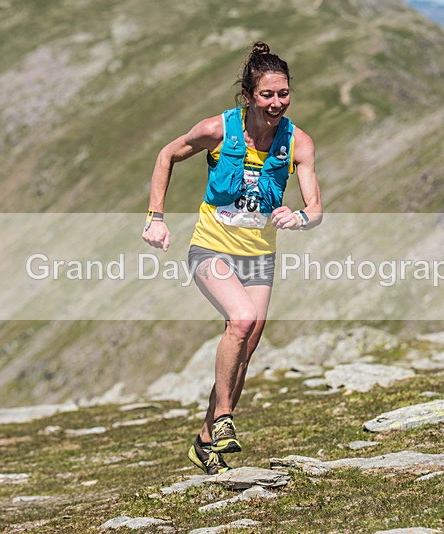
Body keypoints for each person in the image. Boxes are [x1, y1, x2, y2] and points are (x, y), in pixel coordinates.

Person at [142, 42, 322, 475]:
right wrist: (155, 218)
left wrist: (300, 218)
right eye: (267, 95)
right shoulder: (217, 130)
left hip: (259, 256)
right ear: (248, 95)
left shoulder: (298, 142)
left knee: (247, 342)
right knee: (240, 320)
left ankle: (205, 442)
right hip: (211, 247)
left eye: (283, 94)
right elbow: (167, 155)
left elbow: (315, 208)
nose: (276, 103)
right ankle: (224, 417)